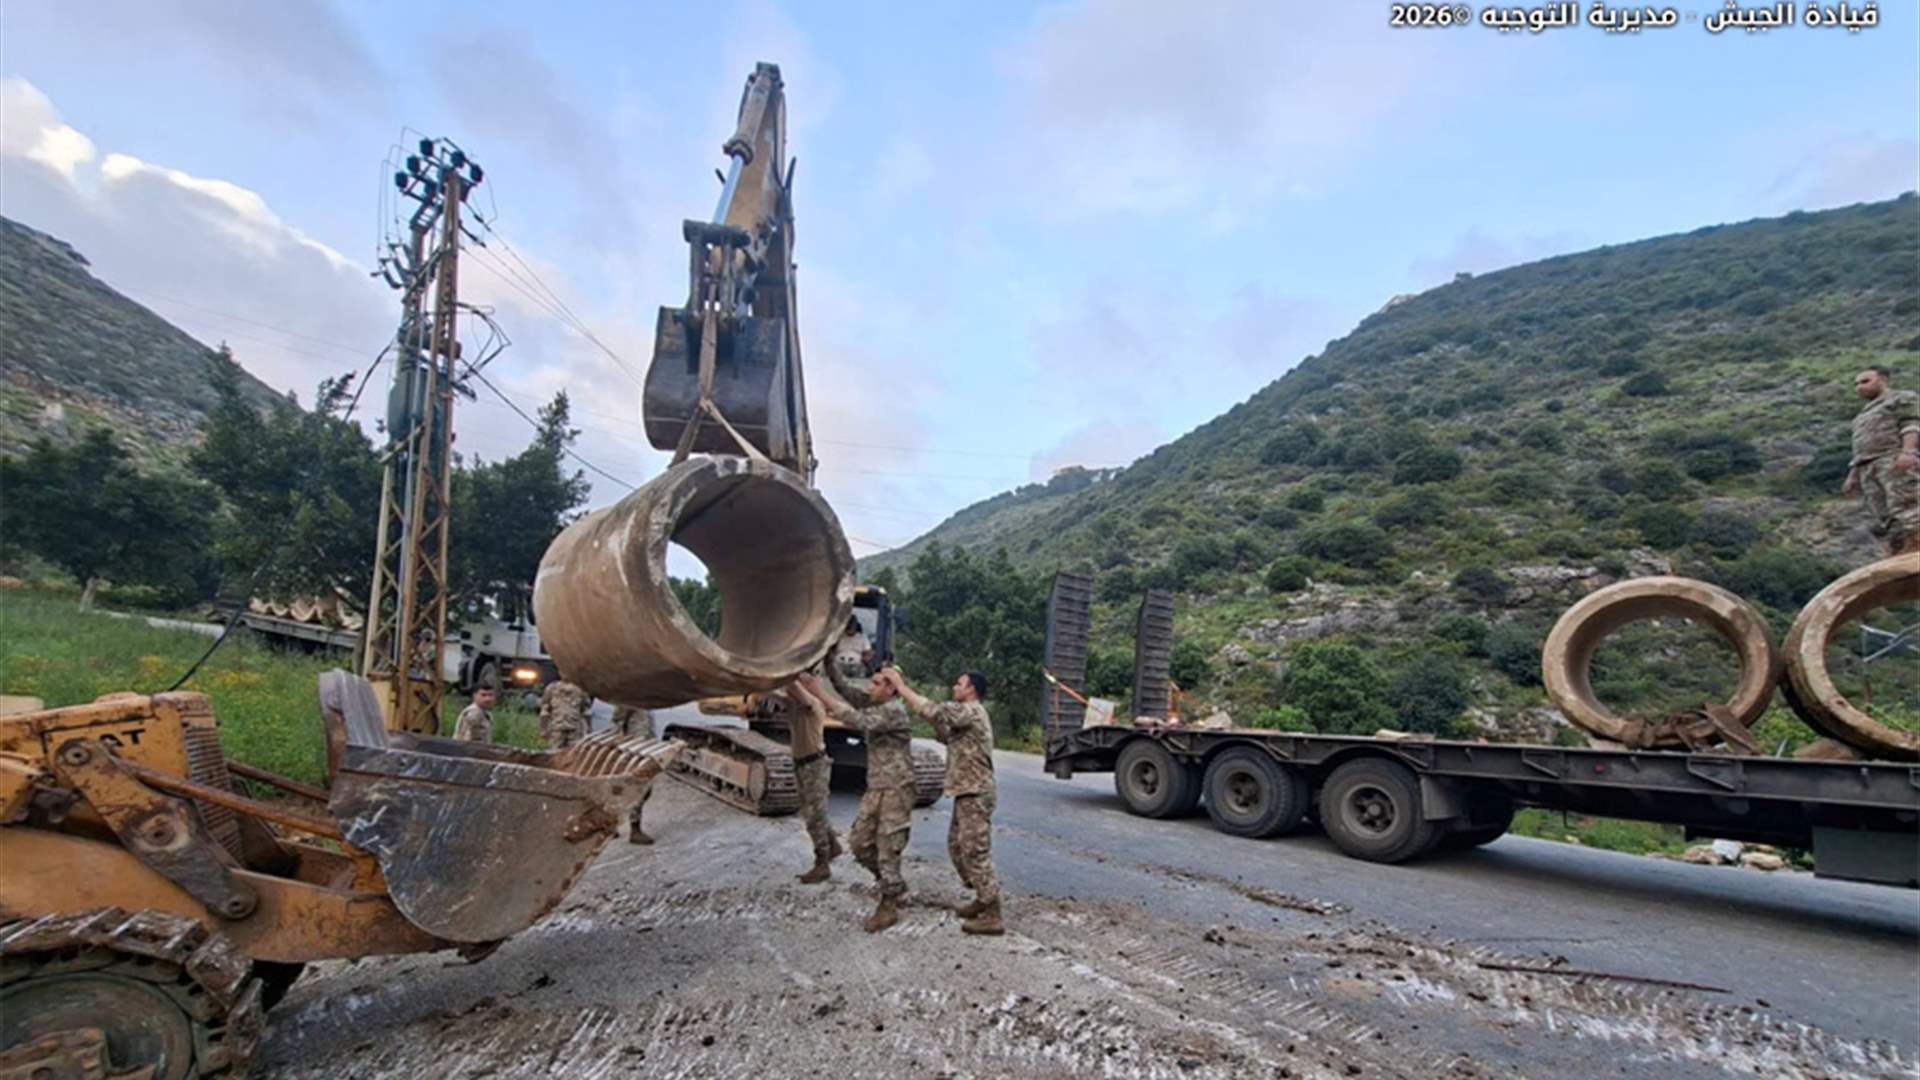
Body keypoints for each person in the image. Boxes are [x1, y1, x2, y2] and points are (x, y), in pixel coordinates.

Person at [879, 668, 1004, 936]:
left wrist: (901, 686)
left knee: (974, 851)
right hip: (967, 792)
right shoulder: (965, 718)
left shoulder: (971, 711)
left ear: (971, 690)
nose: (954, 687)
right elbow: (945, 733)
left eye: (960, 684)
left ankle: (992, 912)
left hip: (976, 792)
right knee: (957, 847)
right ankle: (982, 896)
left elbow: (934, 710)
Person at [795, 665, 915, 933]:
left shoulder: (893, 711)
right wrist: (830, 664)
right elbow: (847, 691)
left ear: (890, 689)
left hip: (896, 789)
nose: (870, 688)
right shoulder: (877, 703)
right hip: (877, 787)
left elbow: (855, 719)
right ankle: (892, 884)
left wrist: (818, 692)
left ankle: (889, 904)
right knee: (859, 844)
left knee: (888, 846)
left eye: (876, 683)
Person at [1843, 366, 1920, 557]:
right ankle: (1900, 548)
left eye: (1865, 381)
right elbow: (1860, 448)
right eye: (1857, 384)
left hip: (1892, 459)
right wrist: (1853, 475)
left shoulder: (1900, 398)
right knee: (1884, 514)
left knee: (1906, 505)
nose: (1859, 387)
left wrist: (1908, 451)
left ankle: (1917, 543)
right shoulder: (1862, 415)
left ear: (1883, 380)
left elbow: (1910, 425)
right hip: (1868, 467)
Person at [782, 681, 846, 884]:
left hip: (814, 765)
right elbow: (775, 694)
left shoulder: (813, 704)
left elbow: (793, 687)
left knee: (814, 815)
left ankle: (822, 864)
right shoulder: (795, 705)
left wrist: (786, 674)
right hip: (802, 764)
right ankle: (833, 845)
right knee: (811, 810)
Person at [539, 679, 591, 749]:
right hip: (556, 729)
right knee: (555, 752)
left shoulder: (581, 689)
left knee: (574, 751)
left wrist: (588, 728)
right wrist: (543, 728)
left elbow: (586, 711)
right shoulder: (552, 688)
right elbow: (545, 710)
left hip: (575, 730)